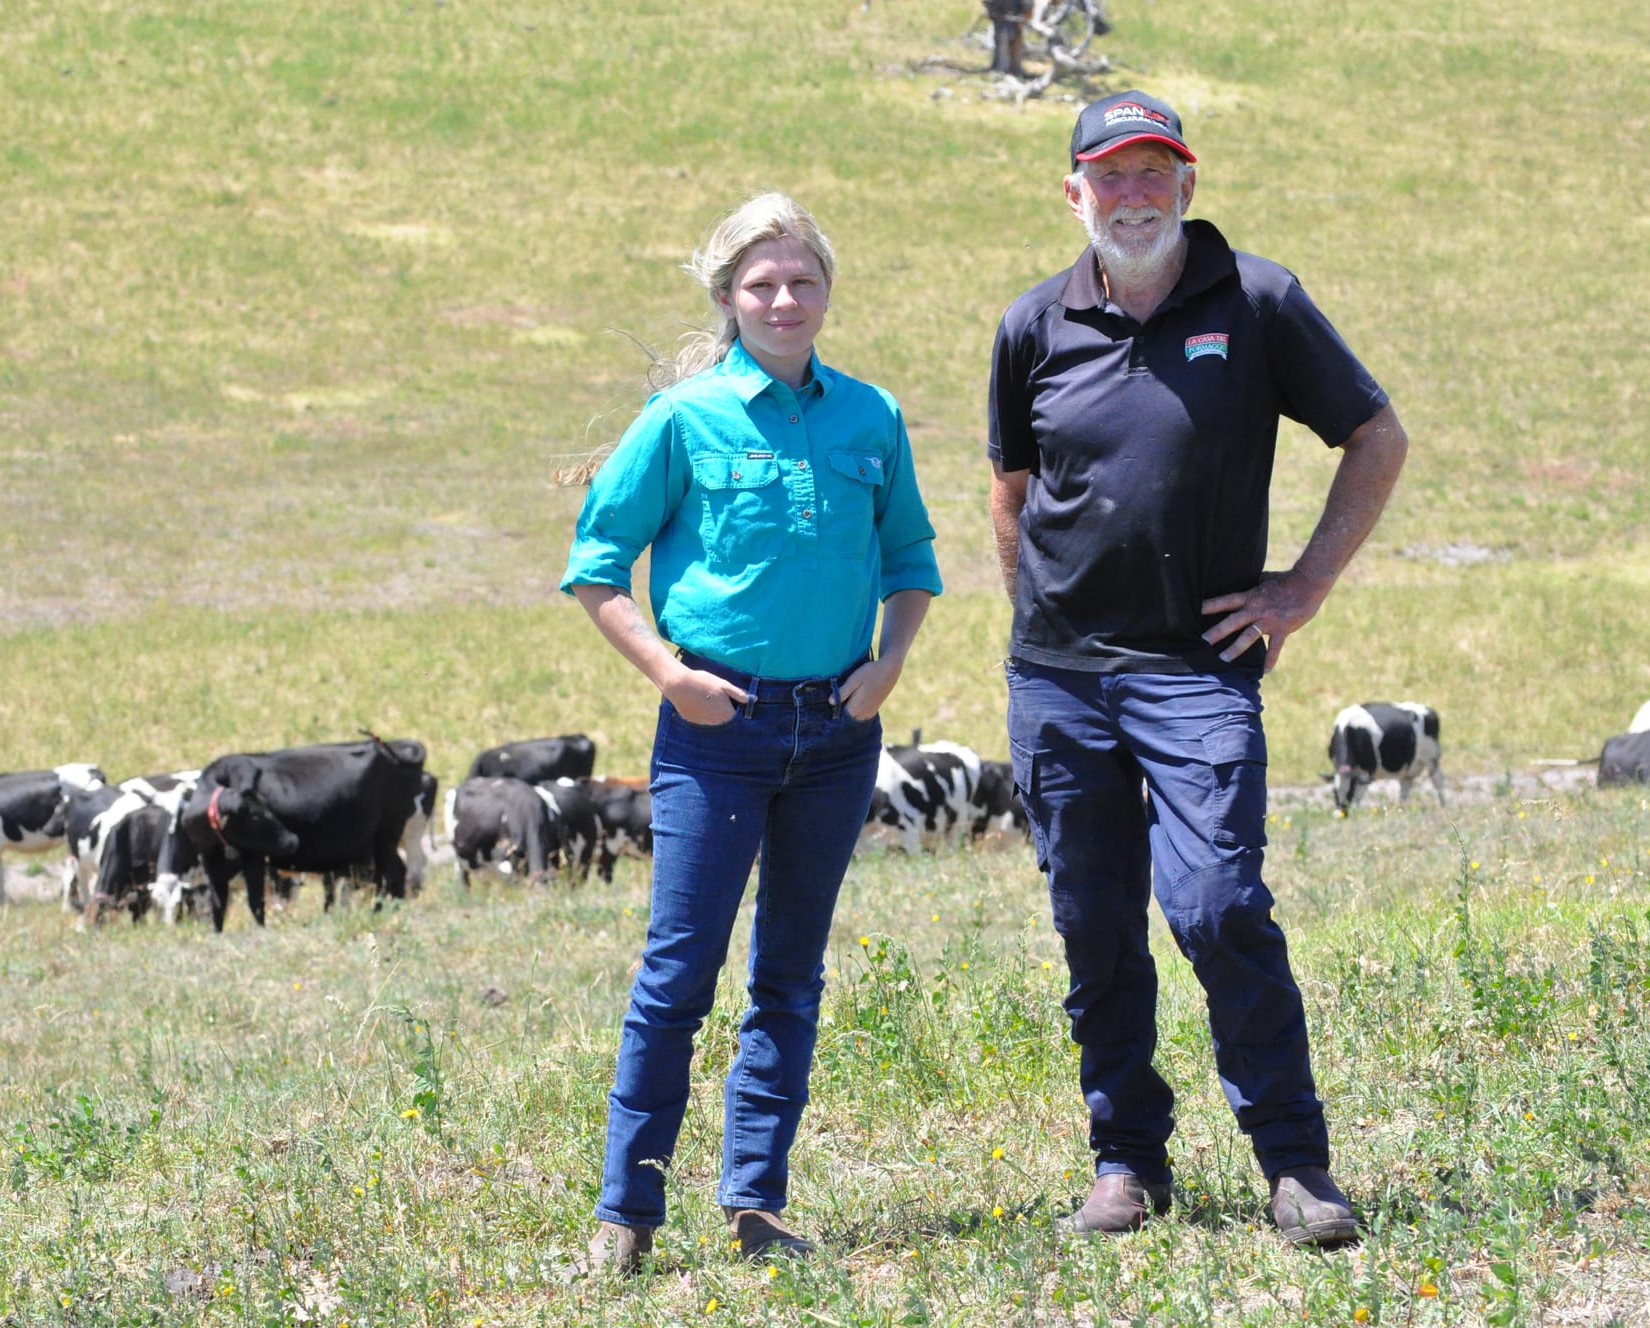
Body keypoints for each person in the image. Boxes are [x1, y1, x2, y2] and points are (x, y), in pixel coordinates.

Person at [988, 92, 1408, 1245]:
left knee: (1217, 902)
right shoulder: (1031, 323)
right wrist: (1033, 629)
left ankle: (1294, 1162)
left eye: (1150, 173)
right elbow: (1011, 488)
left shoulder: (1258, 300)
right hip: (1060, 678)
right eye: (1106, 176)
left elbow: (1374, 433)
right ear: (1071, 190)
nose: (1129, 195)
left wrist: (1301, 586)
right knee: (1092, 921)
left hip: (1195, 667)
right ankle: (1125, 1161)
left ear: (1185, 184)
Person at [561, 192, 942, 1273]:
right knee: (677, 971)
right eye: (761, 284)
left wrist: (887, 664)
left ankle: (755, 1199)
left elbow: (910, 558)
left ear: (826, 293)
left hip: (835, 728)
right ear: (729, 298)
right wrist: (668, 675)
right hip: (713, 726)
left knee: (789, 969)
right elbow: (595, 565)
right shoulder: (684, 417)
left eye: (802, 281)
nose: (784, 299)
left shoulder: (872, 415)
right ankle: (625, 1213)